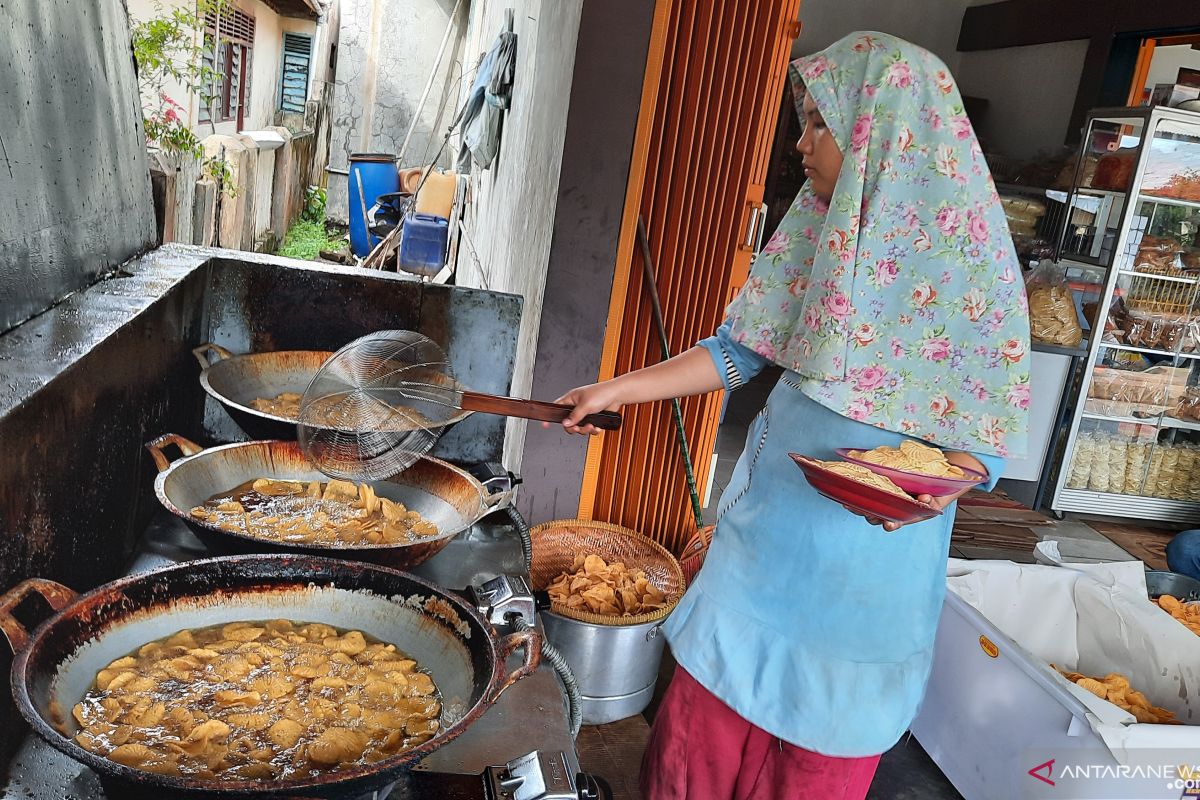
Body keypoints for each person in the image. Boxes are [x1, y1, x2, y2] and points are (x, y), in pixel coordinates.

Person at [555, 32, 1031, 800]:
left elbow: (987, 441)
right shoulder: (818, 231)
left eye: (818, 123)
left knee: (810, 778)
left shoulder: (970, 273)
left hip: (862, 598)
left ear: (886, 135)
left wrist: (945, 485)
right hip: (756, 569)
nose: (799, 143)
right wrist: (617, 390)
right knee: (689, 765)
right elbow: (738, 352)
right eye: (801, 122)